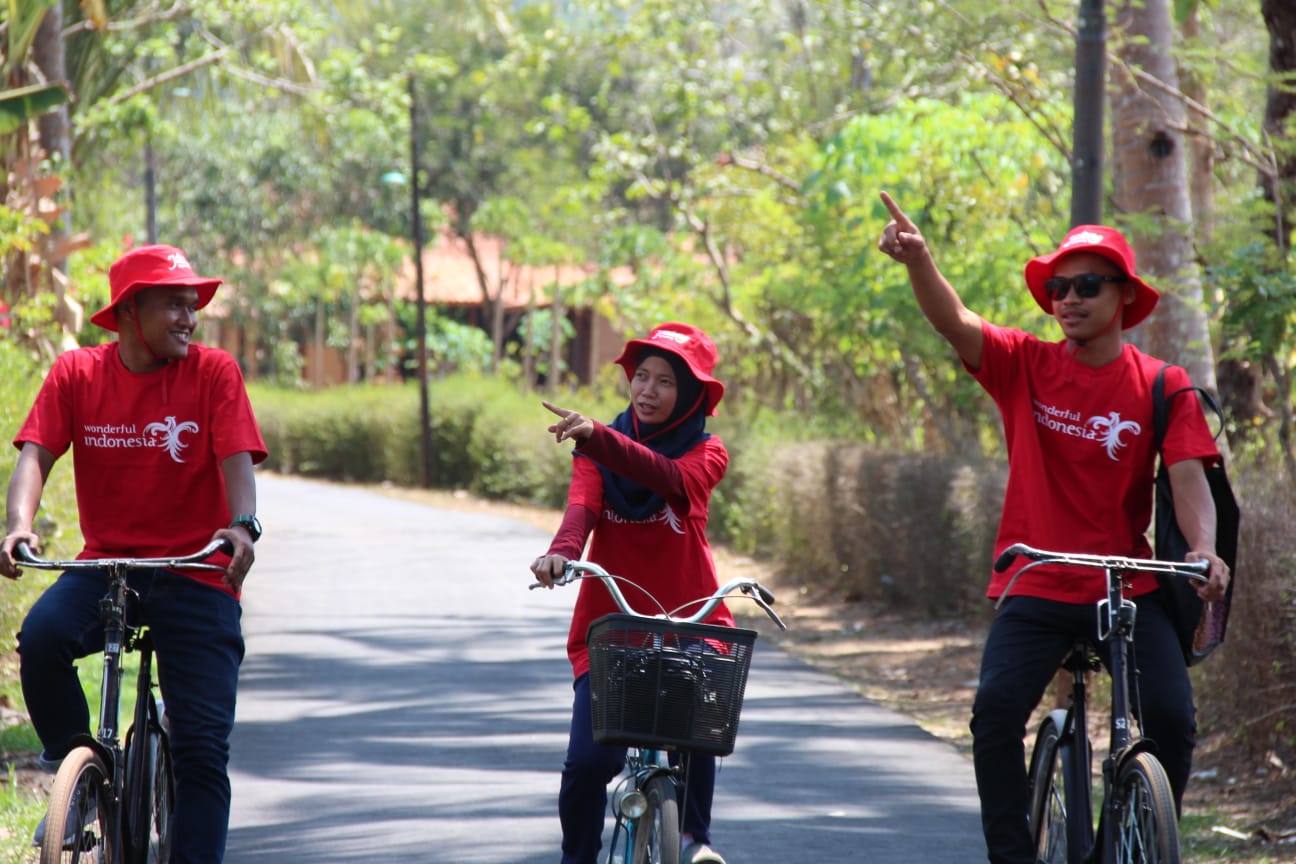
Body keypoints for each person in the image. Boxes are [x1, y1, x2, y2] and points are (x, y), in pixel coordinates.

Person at [876, 192, 1231, 864]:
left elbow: (1189, 480)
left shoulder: (1164, 384)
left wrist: (1204, 550)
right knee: (996, 716)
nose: (1068, 299)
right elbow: (954, 321)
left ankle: (1138, 840)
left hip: (1126, 587)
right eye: (1059, 288)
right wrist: (919, 260)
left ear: (1124, 296)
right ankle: (1013, 855)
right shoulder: (1026, 366)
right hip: (1037, 581)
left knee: (1174, 724)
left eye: (1087, 286)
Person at [0, 244, 267, 864]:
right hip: (108, 568)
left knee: (201, 754)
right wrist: (16, 526)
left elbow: (237, 466)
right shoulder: (77, 374)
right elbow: (35, 453)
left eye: (192, 305)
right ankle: (78, 773)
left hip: (199, 572)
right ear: (128, 312)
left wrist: (242, 527)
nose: (189, 317)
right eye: (173, 304)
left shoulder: (213, 372)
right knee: (40, 638)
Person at [530, 322, 733, 864]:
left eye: (665, 381)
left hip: (690, 620)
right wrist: (562, 552)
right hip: (613, 625)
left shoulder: (708, 453)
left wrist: (598, 434)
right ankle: (578, 857)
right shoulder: (595, 450)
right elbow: (582, 509)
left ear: (690, 395)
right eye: (641, 376)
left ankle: (694, 841)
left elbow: (667, 476)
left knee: (695, 730)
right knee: (588, 766)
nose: (647, 390)